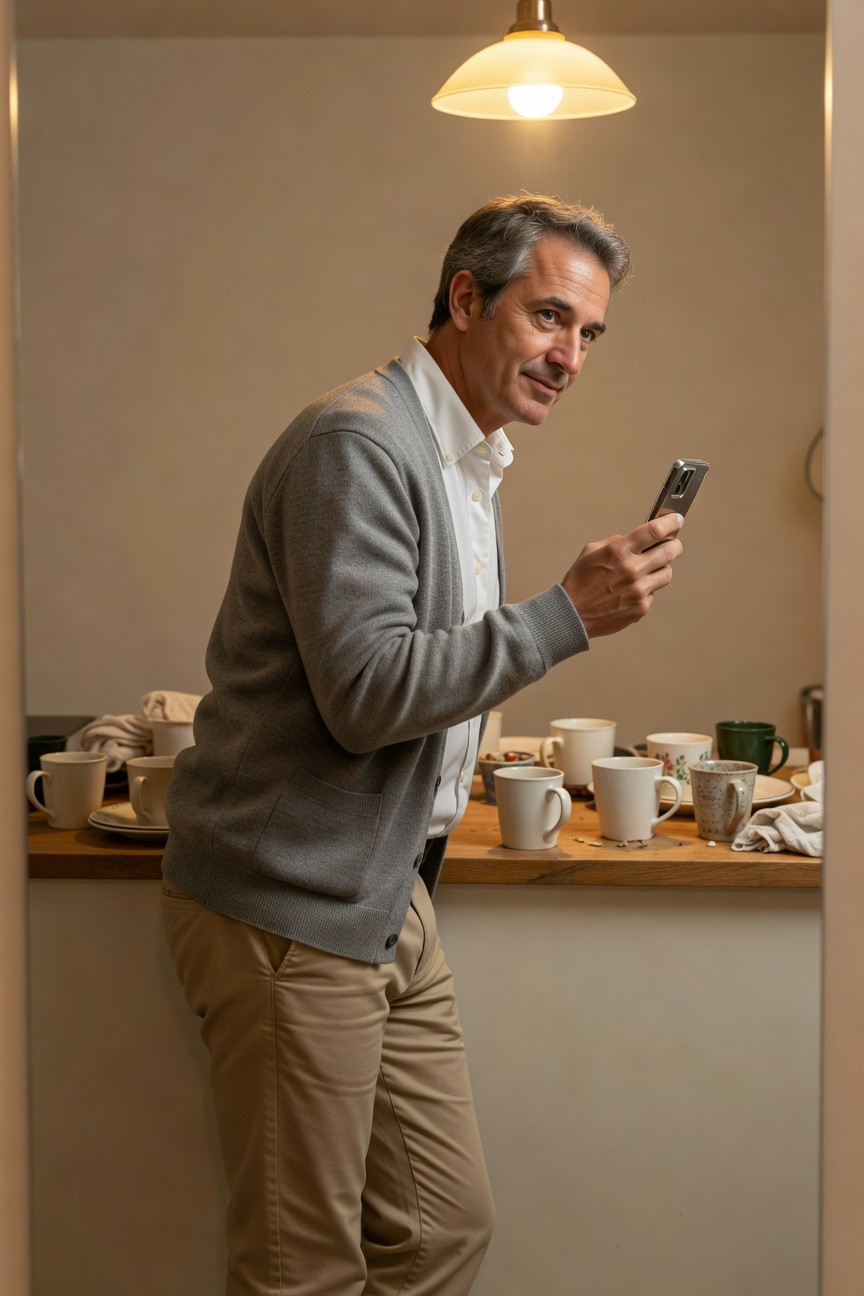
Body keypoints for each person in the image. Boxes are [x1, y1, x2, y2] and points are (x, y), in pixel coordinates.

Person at [160, 193, 684, 1296]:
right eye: (550, 318)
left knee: (445, 1231)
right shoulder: (361, 442)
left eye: (589, 333)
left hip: (386, 895)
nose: (571, 356)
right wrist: (566, 615)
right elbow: (364, 692)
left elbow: (420, 672)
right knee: (300, 1270)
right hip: (288, 903)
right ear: (464, 298)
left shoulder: (467, 456)